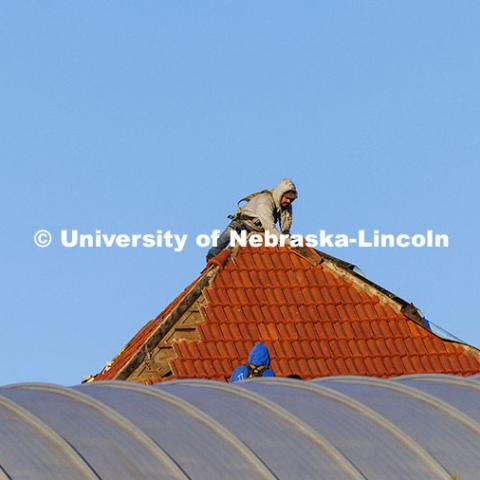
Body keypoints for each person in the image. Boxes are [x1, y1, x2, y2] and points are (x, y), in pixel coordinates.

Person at [206, 178, 298, 261]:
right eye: (287, 198)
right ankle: (209, 269)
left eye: (291, 199)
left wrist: (288, 240)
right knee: (216, 252)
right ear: (280, 194)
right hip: (240, 226)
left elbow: (285, 229)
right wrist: (286, 241)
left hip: (256, 231)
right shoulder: (265, 202)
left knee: (236, 258)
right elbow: (270, 229)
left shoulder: (286, 206)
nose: (289, 201)